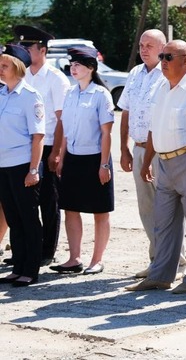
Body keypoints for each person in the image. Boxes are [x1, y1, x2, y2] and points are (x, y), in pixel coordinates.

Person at [126, 40, 186, 294]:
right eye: (162, 57)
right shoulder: (161, 86)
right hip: (164, 162)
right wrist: (147, 161)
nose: (163, 62)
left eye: (168, 57)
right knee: (163, 222)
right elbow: (153, 127)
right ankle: (160, 275)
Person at [118, 29, 186, 279]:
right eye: (141, 45)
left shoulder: (168, 73)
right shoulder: (135, 73)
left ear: (162, 47)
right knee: (147, 208)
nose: (143, 49)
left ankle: (178, 261)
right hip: (138, 149)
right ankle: (157, 259)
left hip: (161, 151)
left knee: (169, 207)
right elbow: (126, 111)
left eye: (149, 45)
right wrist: (124, 148)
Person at [50, 46, 115, 276]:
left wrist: (104, 164)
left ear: (91, 68)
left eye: (78, 65)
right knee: (70, 208)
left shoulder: (101, 94)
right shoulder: (70, 93)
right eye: (72, 65)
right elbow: (66, 129)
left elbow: (106, 133)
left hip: (95, 158)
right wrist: (61, 157)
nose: (73, 68)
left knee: (100, 211)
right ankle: (74, 258)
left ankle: (96, 260)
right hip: (73, 157)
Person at [15, 25, 70, 267]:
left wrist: (57, 152)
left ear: (43, 50)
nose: (25, 51)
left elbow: (62, 119)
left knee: (48, 200)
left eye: (29, 47)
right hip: (24, 146)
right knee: (25, 201)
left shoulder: (55, 78)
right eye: (23, 47)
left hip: (47, 145)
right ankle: (28, 248)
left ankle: (47, 250)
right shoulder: (22, 74)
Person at [0, 45, 44, 286]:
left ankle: (30, 269)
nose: (0, 69)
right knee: (13, 217)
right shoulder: (1, 93)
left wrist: (33, 170)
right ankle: (18, 266)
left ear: (17, 68)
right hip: (3, 165)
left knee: (28, 218)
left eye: (4, 65)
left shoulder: (30, 96)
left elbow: (38, 137)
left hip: (22, 165)